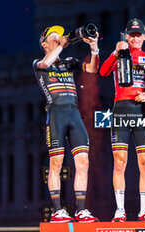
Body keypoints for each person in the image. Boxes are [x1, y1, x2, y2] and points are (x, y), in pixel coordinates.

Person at [33, 25, 100, 223]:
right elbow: (46, 63)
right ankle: (57, 210)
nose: (59, 39)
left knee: (83, 162)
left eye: (60, 37)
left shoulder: (69, 62)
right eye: (54, 37)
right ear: (44, 44)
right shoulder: (39, 62)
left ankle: (81, 210)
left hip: (74, 114)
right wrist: (61, 46)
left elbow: (92, 69)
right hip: (56, 114)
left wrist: (94, 48)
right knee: (56, 163)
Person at [100, 18, 145, 222]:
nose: (135, 38)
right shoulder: (120, 55)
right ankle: (120, 210)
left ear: (144, 36)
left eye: (139, 35)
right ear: (126, 36)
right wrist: (114, 52)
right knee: (120, 162)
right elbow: (103, 72)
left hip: (142, 112)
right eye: (131, 35)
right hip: (121, 109)